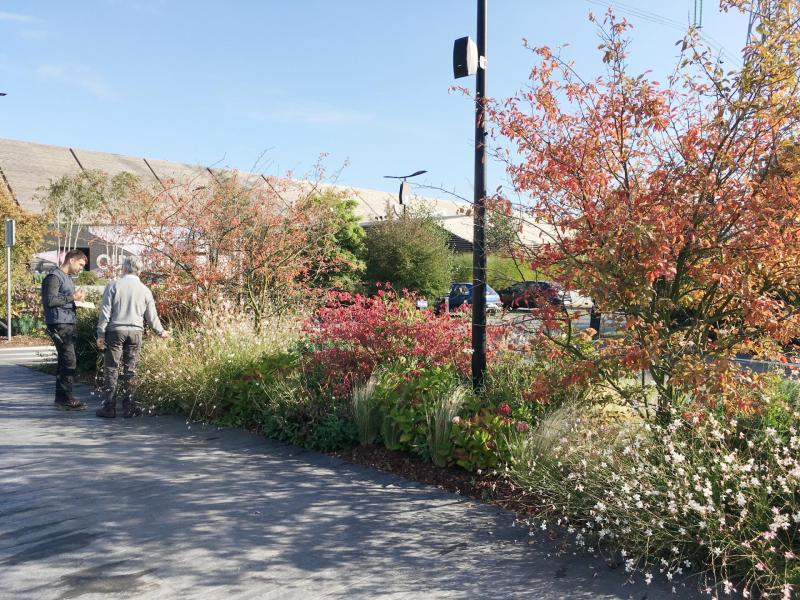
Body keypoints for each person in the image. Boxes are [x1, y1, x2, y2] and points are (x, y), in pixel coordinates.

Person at [95, 256, 169, 419]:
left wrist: (100, 334)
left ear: (124, 268)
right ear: (140, 271)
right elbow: (152, 316)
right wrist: (161, 332)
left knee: (111, 368)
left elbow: (105, 313)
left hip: (115, 331)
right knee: (131, 370)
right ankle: (129, 407)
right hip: (136, 332)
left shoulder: (113, 286)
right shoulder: (145, 290)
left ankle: (109, 407)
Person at [41, 249, 89, 410]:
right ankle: (67, 398)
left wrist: (77, 302)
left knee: (64, 361)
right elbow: (50, 300)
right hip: (59, 324)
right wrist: (72, 298)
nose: (81, 269)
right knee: (70, 361)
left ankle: (61, 399)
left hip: (67, 323)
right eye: (81, 265)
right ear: (71, 260)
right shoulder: (54, 277)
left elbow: (63, 300)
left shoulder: (67, 278)